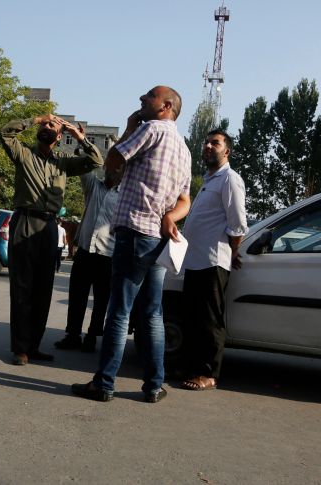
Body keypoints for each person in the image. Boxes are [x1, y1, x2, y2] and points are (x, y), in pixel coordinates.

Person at [72, 85, 191, 403]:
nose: (141, 99)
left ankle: (104, 383)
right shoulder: (183, 146)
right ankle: (154, 386)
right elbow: (185, 200)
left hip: (135, 232)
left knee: (119, 311)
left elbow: (113, 159)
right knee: (152, 314)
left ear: (165, 106)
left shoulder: (151, 129)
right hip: (158, 238)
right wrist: (171, 218)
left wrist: (127, 128)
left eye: (149, 96)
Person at [0, 113, 103, 366]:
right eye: (45, 124)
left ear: (59, 136)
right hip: (24, 220)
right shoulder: (23, 154)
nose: (47, 127)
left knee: (43, 290)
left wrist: (80, 137)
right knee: (22, 288)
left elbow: (95, 161)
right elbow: (5, 133)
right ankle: (20, 349)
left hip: (48, 226)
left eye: (52, 125)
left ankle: (34, 346)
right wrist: (34, 118)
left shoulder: (65, 161)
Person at [179, 129, 247, 391]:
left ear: (226, 151)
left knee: (210, 321)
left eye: (215, 143)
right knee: (193, 319)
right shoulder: (209, 180)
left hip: (213, 261)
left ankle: (209, 374)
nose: (208, 146)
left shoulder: (230, 179)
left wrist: (234, 250)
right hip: (195, 261)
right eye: (206, 142)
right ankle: (191, 367)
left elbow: (238, 224)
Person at [54, 167, 122, 352]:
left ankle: (92, 337)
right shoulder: (94, 186)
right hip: (84, 252)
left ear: (123, 172)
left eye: (117, 167)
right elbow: (84, 169)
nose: (112, 170)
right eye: (110, 165)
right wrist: (82, 142)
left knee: (101, 301)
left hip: (107, 256)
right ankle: (73, 335)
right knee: (77, 296)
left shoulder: (123, 196)